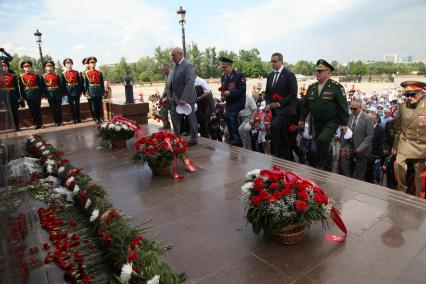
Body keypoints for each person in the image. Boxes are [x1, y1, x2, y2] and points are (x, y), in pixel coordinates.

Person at [299, 59, 349, 172]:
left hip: (332, 121)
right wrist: (302, 119)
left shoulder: (336, 87)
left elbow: (343, 106)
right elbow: (305, 106)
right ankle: (324, 166)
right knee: (320, 144)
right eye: (317, 71)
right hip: (317, 121)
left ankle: (326, 166)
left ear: (328, 72)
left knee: (322, 140)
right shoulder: (312, 87)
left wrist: (344, 123)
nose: (317, 73)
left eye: (320, 71)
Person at [393, 81, 426, 197]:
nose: (409, 98)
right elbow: (397, 128)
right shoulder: (402, 107)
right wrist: (395, 146)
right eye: (407, 95)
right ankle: (401, 189)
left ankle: (419, 197)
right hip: (405, 142)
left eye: (412, 94)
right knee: (398, 164)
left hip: (422, 144)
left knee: (420, 175)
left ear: (421, 92)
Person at [264, 52, 298, 159]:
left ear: (281, 61)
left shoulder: (289, 75)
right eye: (272, 61)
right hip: (274, 111)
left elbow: (293, 94)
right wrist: (269, 104)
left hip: (285, 111)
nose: (273, 63)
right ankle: (286, 157)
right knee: (283, 136)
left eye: (275, 61)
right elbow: (267, 93)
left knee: (275, 126)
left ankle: (276, 154)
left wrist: (279, 104)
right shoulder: (270, 76)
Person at [169, 47, 198, 146]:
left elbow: (190, 82)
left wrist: (184, 98)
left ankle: (194, 138)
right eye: (172, 55)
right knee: (174, 118)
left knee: (191, 119)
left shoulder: (187, 65)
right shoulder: (176, 66)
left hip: (187, 99)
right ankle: (177, 138)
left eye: (174, 55)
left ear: (180, 54)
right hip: (176, 99)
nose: (172, 57)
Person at [340, 100, 374, 180]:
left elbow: (369, 136)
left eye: (354, 109)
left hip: (362, 147)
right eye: (351, 108)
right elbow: (347, 132)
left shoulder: (367, 118)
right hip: (350, 144)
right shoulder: (350, 116)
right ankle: (347, 179)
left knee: (360, 171)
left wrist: (361, 148)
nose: (352, 110)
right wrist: (343, 146)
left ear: (360, 108)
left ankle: (359, 182)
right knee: (343, 157)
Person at [218, 56, 246, 146]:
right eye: (222, 67)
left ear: (230, 66)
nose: (223, 69)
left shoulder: (239, 75)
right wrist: (223, 96)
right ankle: (234, 138)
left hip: (238, 102)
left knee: (230, 115)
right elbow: (223, 90)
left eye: (225, 67)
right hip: (229, 103)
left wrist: (230, 93)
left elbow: (242, 89)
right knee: (227, 116)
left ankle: (237, 139)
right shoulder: (223, 77)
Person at [18, 60, 44, 129]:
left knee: (38, 109)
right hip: (28, 95)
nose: (27, 68)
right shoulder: (21, 77)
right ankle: (35, 124)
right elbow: (21, 87)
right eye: (25, 67)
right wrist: (23, 97)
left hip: (36, 94)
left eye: (28, 66)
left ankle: (41, 124)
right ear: (23, 68)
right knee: (32, 110)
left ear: (31, 67)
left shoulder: (36, 75)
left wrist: (41, 94)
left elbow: (40, 85)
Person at [42, 60, 65, 126]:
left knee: (59, 108)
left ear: (53, 67)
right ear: (45, 67)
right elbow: (43, 86)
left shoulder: (57, 75)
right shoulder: (43, 76)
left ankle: (60, 121)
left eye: (51, 66)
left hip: (57, 93)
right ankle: (56, 122)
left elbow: (60, 85)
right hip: (50, 94)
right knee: (53, 109)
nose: (49, 67)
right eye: (48, 66)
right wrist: (44, 95)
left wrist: (61, 93)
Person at [1, 59, 22, 130]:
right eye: (2, 66)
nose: (3, 68)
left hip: (13, 97)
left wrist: (19, 97)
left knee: (15, 113)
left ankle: (17, 127)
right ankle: (11, 127)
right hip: (4, 98)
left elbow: (16, 87)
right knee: (8, 114)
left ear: (8, 67)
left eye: (5, 66)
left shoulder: (12, 76)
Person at [83, 56, 105, 124]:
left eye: (94, 62)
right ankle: (96, 119)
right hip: (91, 90)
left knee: (100, 105)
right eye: (91, 62)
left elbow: (101, 83)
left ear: (95, 64)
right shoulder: (86, 73)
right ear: (89, 64)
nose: (92, 64)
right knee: (94, 106)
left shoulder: (99, 73)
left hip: (98, 90)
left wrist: (103, 91)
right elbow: (86, 84)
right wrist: (87, 92)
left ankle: (101, 118)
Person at [365, 112, 385, 184]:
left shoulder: (381, 128)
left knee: (371, 171)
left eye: (372, 119)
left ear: (376, 119)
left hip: (374, 154)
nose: (370, 120)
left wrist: (378, 156)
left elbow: (381, 143)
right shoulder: (366, 126)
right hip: (365, 152)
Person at [63, 58, 83, 123]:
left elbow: (79, 82)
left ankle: (78, 118)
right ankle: (74, 119)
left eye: (70, 63)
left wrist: (80, 91)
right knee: (71, 106)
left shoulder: (76, 72)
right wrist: (64, 92)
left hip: (76, 90)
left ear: (72, 64)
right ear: (65, 65)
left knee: (77, 105)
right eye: (67, 63)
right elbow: (63, 84)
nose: (69, 64)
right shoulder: (63, 73)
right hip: (69, 91)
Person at [194, 71, 214, 138]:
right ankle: (204, 138)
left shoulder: (201, 81)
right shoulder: (190, 81)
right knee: (200, 123)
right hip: (199, 105)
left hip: (206, 105)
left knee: (205, 124)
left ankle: (208, 141)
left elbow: (208, 92)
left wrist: (200, 97)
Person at [160, 63, 172, 129]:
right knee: (162, 108)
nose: (162, 71)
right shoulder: (166, 76)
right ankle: (166, 125)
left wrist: (168, 98)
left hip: (173, 98)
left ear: (167, 67)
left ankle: (177, 130)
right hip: (167, 98)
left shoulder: (173, 75)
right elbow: (166, 88)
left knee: (173, 115)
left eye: (163, 69)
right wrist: (162, 97)